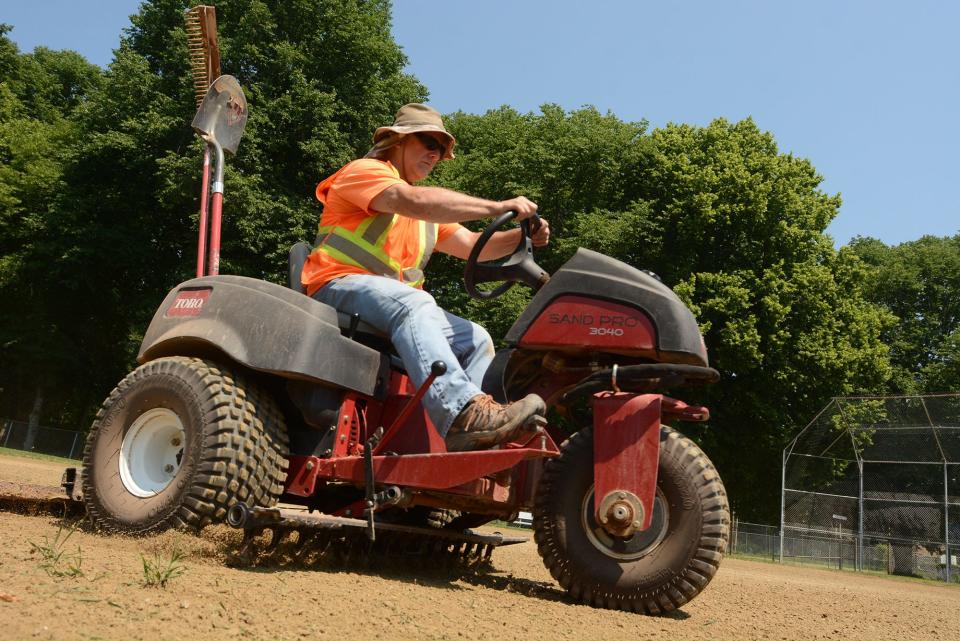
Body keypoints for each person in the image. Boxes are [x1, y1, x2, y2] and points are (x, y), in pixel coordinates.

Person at [303, 103, 549, 452]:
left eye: (441, 150)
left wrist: (523, 237)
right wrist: (498, 207)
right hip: (336, 286)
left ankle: (481, 440)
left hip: (391, 305)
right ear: (397, 141)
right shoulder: (366, 172)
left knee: (476, 338)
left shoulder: (427, 214)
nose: (435, 155)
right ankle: (461, 411)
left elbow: (471, 245)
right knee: (416, 302)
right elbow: (410, 199)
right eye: (428, 143)